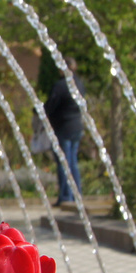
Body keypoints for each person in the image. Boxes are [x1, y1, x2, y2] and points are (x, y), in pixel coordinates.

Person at [44, 56, 87, 206]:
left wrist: (41, 111)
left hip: (63, 127)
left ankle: (65, 196)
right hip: (77, 127)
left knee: (64, 162)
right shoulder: (79, 84)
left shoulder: (61, 86)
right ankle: (77, 194)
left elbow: (51, 106)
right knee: (73, 161)